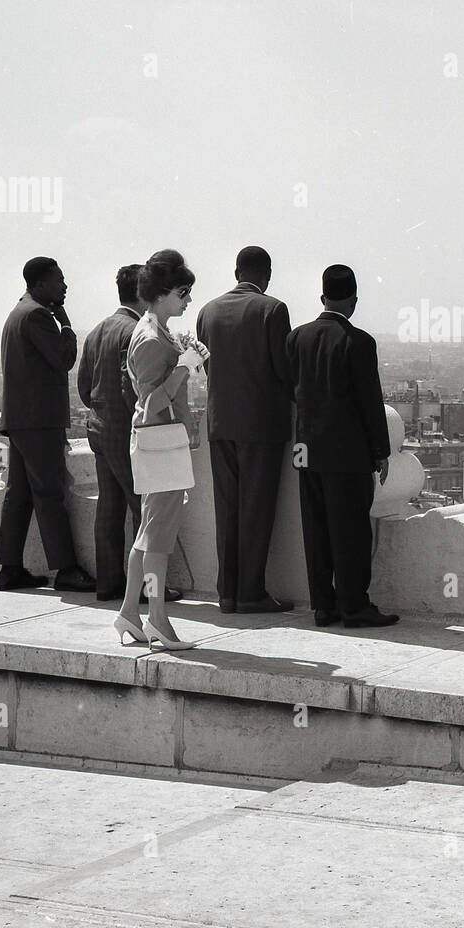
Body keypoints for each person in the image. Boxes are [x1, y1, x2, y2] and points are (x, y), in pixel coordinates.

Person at [285, 264, 398, 628]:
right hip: (348, 454)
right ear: (353, 301)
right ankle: (353, 605)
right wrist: (380, 450)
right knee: (350, 530)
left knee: (316, 529)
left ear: (322, 298)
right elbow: (369, 401)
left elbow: (292, 391)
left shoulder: (297, 338)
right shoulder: (359, 343)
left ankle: (324, 605)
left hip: (307, 451)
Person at [112, 250, 206, 650]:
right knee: (159, 540)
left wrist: (183, 357)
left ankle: (130, 614)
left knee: (146, 535)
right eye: (183, 293)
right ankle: (157, 621)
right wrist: (185, 365)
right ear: (163, 293)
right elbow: (151, 402)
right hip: (160, 443)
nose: (187, 300)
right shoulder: (151, 337)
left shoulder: (155, 329)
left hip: (156, 443)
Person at [76, 265, 185, 606]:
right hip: (127, 430)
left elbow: (82, 386)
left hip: (98, 426)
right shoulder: (136, 330)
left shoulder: (98, 330)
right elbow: (134, 390)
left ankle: (109, 584)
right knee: (145, 512)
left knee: (108, 508)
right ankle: (148, 591)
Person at [195, 245, 295, 615]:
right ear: (266, 275)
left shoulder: (207, 311)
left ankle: (227, 592)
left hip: (221, 423)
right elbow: (284, 370)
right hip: (261, 425)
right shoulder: (272, 309)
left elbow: (207, 368)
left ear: (236, 271)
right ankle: (251, 592)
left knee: (228, 510)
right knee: (256, 508)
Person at [0, 257, 95, 592]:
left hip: (22, 419)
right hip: (39, 420)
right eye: (59, 280)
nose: (65, 286)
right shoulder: (37, 315)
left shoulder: (18, 312)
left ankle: (10, 569)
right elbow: (64, 359)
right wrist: (66, 325)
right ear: (40, 284)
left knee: (20, 493)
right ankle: (66, 569)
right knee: (50, 493)